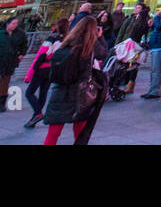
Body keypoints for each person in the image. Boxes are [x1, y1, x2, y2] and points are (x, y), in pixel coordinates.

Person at [43, 16, 107, 145]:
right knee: (80, 129)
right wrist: (100, 37)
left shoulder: (68, 41)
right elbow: (103, 53)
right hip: (79, 92)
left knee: (54, 132)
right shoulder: (87, 46)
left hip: (60, 91)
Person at [25, 17, 69, 128]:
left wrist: (31, 72)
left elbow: (40, 56)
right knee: (43, 92)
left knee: (29, 92)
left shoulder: (51, 39)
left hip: (42, 68)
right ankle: (36, 115)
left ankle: (38, 112)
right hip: (52, 68)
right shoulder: (65, 40)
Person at [141, 2, 161, 98]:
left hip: (160, 44)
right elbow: (156, 27)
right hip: (155, 44)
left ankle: (155, 91)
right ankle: (152, 89)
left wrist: (156, 18)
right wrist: (152, 24)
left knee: (157, 69)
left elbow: (159, 26)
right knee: (154, 69)